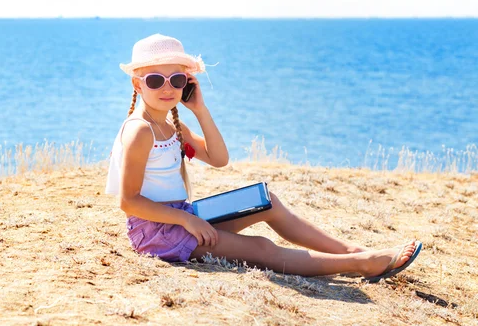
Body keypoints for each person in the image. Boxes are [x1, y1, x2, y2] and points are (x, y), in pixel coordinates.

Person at [105, 33, 422, 282]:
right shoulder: (141, 131)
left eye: (176, 80)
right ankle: (361, 264)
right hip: (159, 232)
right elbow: (129, 202)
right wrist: (187, 220)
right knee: (261, 248)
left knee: (265, 200)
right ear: (137, 83)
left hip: (181, 215)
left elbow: (218, 158)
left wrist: (199, 109)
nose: (167, 88)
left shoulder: (173, 125)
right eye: (155, 80)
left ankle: (352, 250)